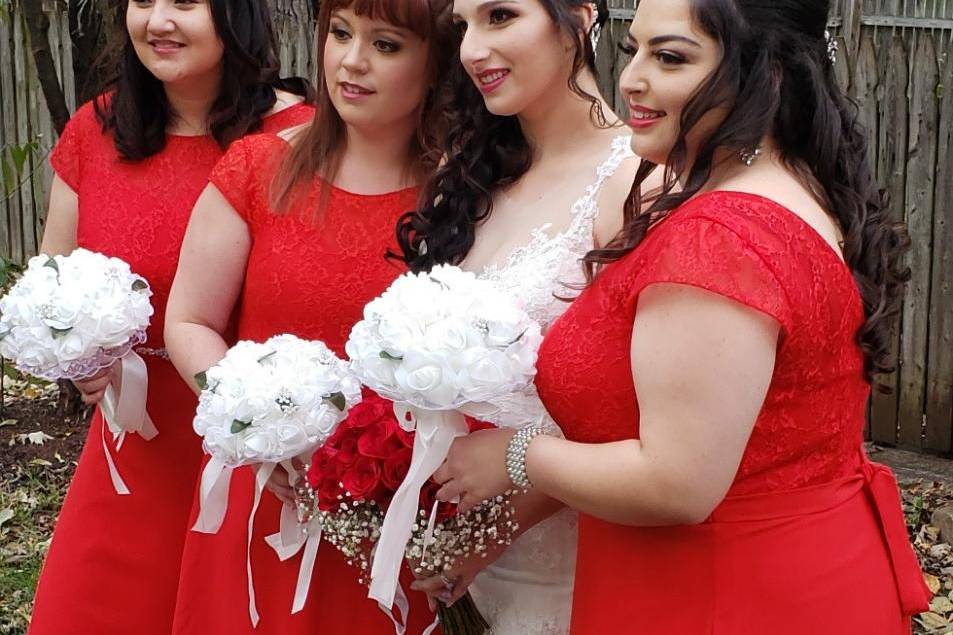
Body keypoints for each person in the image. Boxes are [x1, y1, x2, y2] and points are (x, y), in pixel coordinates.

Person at [422, 0, 932, 632]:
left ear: (765, 73)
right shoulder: (790, 186)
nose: (632, 77)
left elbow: (676, 482)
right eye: (634, 49)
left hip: (720, 593)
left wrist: (517, 454)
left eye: (670, 58)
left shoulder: (719, 235)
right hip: (806, 570)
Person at [164, 1, 453, 633]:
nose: (351, 62)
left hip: (395, 511)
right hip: (266, 490)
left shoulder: (464, 192)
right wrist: (261, 421)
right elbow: (188, 321)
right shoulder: (259, 167)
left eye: (386, 45)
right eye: (341, 35)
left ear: (437, 62)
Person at [29, 1, 313, 633]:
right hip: (136, 448)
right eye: (143, 0)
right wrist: (78, 358)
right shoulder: (94, 130)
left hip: (258, 457)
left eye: (185, 1)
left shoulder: (306, 137)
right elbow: (54, 279)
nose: (157, 19)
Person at [399, 1, 650, 632]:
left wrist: (490, 535)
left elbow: (633, 412)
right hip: (450, 552)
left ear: (581, 16)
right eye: (464, 25)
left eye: (501, 16)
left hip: (564, 560)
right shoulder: (467, 176)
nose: (472, 49)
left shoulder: (633, 183)